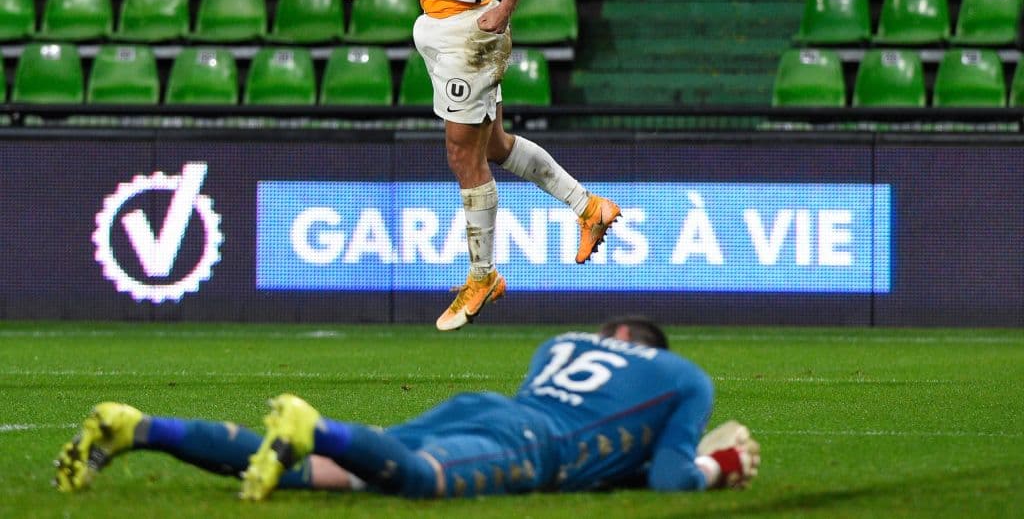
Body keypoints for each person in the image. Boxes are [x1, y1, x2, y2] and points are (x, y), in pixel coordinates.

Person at [335, 0, 622, 331]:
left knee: (461, 153)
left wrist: (506, 8)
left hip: (471, 30)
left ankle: (483, 274)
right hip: (435, 29)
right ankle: (588, 207)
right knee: (494, 146)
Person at [54, 317, 760, 500]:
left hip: (483, 407)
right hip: (532, 442)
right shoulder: (684, 376)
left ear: (614, 334)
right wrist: (721, 463)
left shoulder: (560, 342)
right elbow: (670, 478)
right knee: (420, 480)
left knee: (334, 473)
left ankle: (141, 427)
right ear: (653, 347)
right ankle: (313, 425)